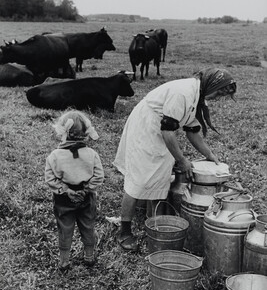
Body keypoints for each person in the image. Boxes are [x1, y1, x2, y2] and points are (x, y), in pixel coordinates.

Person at [113, 67, 236, 252]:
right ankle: (124, 231)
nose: (217, 97)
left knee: (159, 174)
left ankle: (151, 219)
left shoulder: (197, 96)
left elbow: (192, 131)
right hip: (146, 129)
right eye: (218, 92)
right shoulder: (183, 93)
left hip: (159, 132)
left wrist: (210, 155)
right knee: (137, 181)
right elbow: (167, 131)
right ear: (212, 84)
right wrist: (181, 159)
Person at [45, 110, 104, 271]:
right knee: (88, 226)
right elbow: (99, 176)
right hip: (86, 197)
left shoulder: (55, 156)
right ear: (86, 132)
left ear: (62, 132)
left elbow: (50, 179)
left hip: (64, 198)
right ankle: (89, 256)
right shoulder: (92, 154)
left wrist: (65, 189)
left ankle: (64, 261)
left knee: (65, 228)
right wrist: (87, 189)